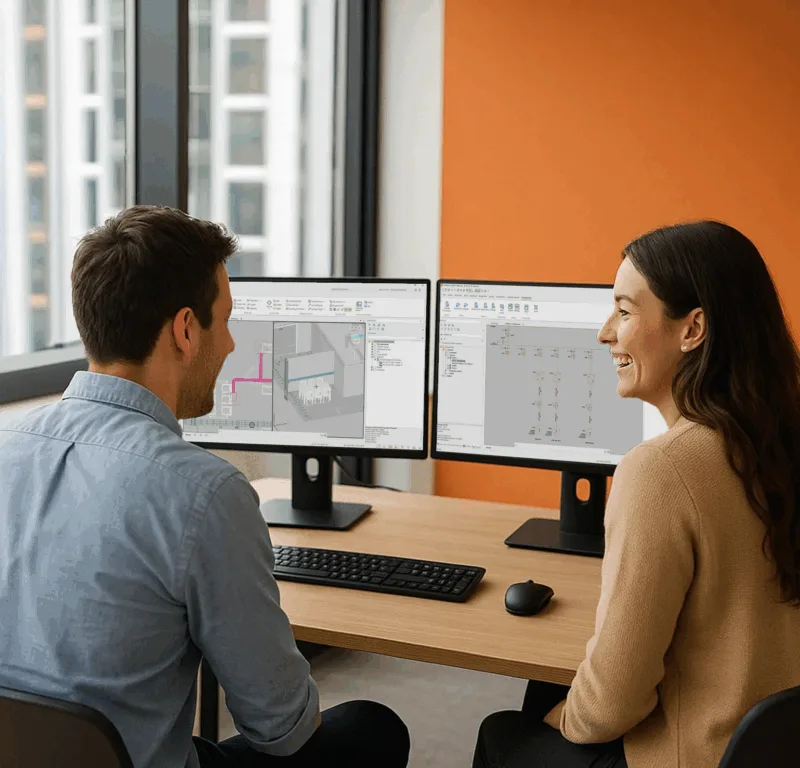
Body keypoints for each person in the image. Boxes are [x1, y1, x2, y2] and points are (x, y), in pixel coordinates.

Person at [0, 205, 411, 768]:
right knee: (371, 727)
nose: (232, 345)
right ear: (186, 330)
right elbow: (280, 728)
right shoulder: (202, 492)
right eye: (227, 321)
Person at [473, 221, 800, 768]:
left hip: (693, 755)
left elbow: (609, 705)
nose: (605, 333)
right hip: (774, 747)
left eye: (624, 312)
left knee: (505, 731)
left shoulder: (661, 470)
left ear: (692, 328)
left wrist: (561, 718)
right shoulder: (777, 440)